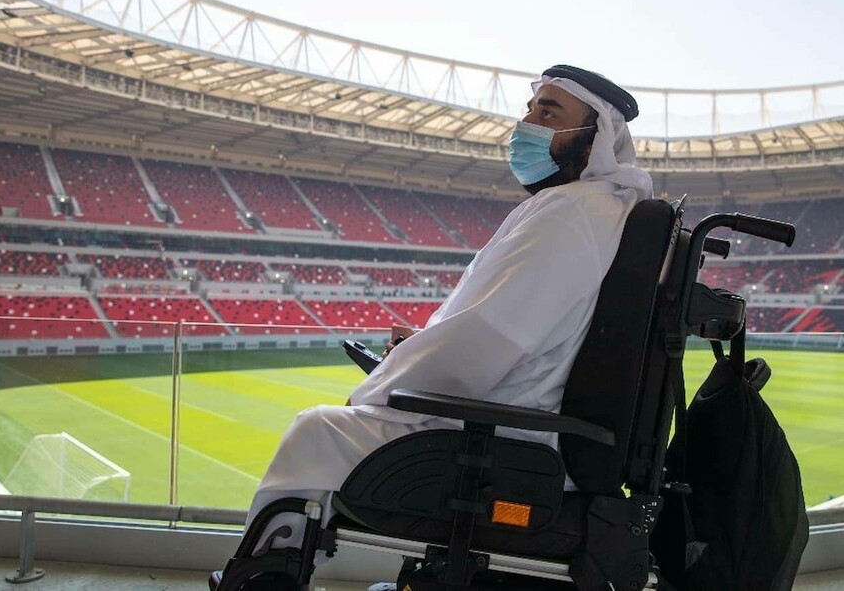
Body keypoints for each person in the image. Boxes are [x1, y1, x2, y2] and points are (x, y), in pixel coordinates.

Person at [240, 64, 654, 561]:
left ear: (594, 138)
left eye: (549, 111)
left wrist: (383, 380)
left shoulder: (574, 213)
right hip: (519, 419)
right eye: (528, 109)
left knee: (317, 430)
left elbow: (485, 340)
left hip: (509, 439)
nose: (527, 123)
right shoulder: (586, 208)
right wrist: (412, 352)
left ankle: (264, 573)